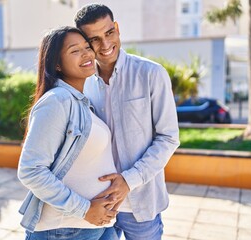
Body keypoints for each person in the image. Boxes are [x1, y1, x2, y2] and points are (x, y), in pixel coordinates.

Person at [75, 4, 180, 240]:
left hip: (140, 205)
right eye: (94, 39)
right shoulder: (83, 84)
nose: (105, 45)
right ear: (85, 43)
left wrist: (128, 180)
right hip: (98, 204)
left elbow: (169, 138)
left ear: (118, 29)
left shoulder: (151, 74)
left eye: (109, 33)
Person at [17, 26, 119, 240]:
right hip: (65, 229)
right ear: (56, 63)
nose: (87, 53)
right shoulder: (58, 100)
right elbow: (31, 170)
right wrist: (85, 209)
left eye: (87, 47)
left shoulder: (80, 102)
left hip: (95, 225)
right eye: (75, 51)